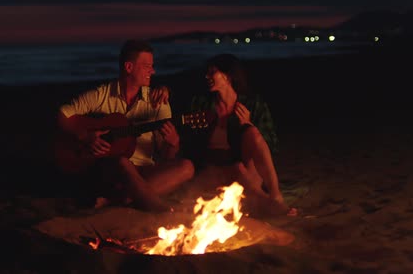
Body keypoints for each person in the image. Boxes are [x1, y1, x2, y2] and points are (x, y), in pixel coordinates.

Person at [56, 39, 194, 212]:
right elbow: (63, 114)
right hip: (112, 172)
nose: (153, 71)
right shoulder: (102, 94)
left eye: (152, 66)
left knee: (187, 167)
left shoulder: (158, 101)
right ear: (129, 67)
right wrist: (85, 136)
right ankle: (160, 211)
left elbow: (168, 156)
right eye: (147, 66)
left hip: (145, 170)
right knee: (122, 162)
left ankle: (119, 200)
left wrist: (173, 143)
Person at [181, 53, 296, 217]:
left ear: (227, 76)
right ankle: (270, 205)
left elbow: (270, 143)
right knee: (238, 169)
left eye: (212, 72)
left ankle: (276, 196)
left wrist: (247, 124)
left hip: (245, 164)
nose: (207, 76)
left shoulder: (253, 103)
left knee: (252, 133)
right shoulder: (201, 103)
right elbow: (190, 143)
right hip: (211, 169)